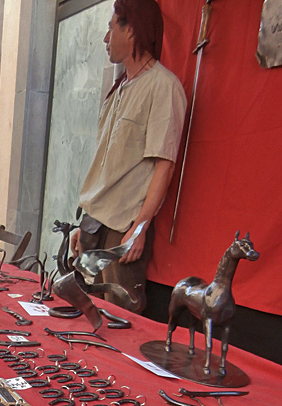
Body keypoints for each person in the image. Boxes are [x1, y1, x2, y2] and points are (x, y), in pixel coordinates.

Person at [70, 0, 187, 313]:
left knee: (119, 322)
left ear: (131, 29)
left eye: (111, 28)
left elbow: (165, 165)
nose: (106, 38)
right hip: (95, 222)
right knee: (84, 316)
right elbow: (106, 164)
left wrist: (139, 229)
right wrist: (86, 223)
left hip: (121, 230)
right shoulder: (119, 87)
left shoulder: (163, 86)